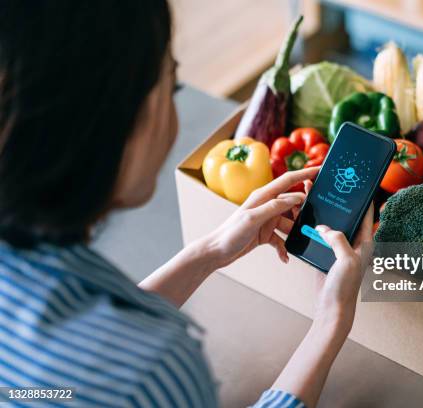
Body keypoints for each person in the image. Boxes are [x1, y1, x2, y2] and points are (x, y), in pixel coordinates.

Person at [0, 2, 372, 407]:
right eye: (172, 86)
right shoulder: (152, 374)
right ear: (115, 121)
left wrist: (209, 251)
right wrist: (330, 321)